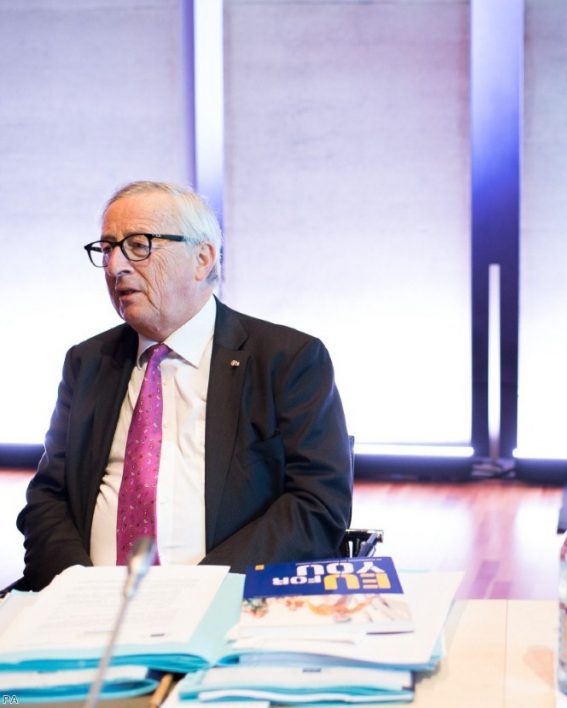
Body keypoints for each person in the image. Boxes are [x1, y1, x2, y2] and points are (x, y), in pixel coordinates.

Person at [16, 180, 353, 591]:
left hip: (228, 601)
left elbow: (317, 505)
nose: (115, 267)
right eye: (106, 249)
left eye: (138, 245)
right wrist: (75, 587)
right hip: (88, 611)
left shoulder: (286, 359)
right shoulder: (88, 363)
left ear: (202, 258)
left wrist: (204, 591)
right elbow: (48, 499)